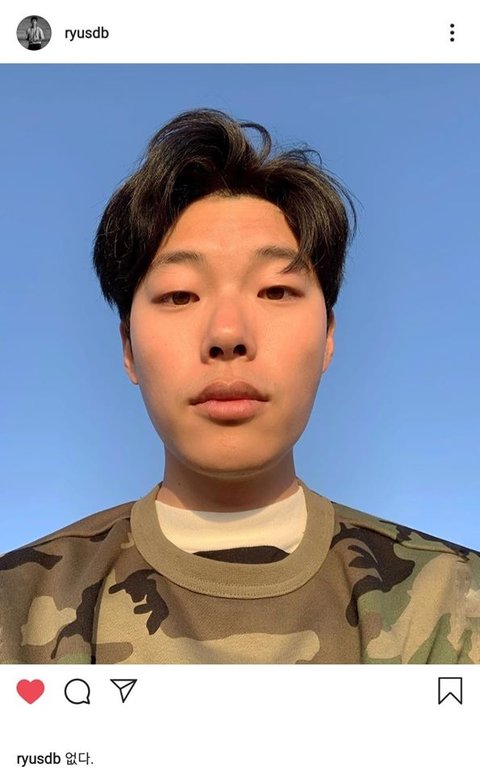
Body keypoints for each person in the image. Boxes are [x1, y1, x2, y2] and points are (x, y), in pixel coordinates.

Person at [1, 109, 479, 664]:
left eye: (276, 291)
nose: (227, 334)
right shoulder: (17, 608)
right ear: (128, 347)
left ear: (328, 337)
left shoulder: (453, 599)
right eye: (180, 295)